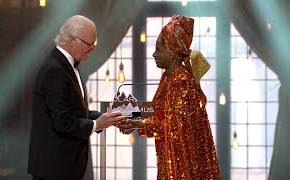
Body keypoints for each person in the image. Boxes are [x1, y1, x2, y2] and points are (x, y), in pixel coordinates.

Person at [118, 15, 221, 179]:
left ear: (173, 53)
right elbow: (166, 121)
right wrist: (137, 123)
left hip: (181, 164)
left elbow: (171, 128)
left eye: (159, 49)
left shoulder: (180, 81)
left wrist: (137, 123)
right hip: (171, 157)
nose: (154, 54)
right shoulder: (169, 78)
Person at [28, 15, 125, 180]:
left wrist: (104, 118)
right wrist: (96, 124)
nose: (92, 49)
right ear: (72, 40)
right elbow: (62, 122)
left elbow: (76, 111)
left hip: (64, 168)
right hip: (54, 170)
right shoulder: (55, 70)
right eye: (90, 44)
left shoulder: (66, 65)